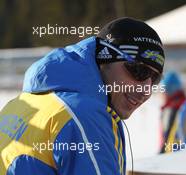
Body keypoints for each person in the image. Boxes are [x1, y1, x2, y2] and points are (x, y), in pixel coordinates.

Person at [0, 17, 165, 175]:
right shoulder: (83, 116)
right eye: (139, 71)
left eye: (155, 79)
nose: (146, 90)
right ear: (105, 58)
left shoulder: (25, 101)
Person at [159, 71, 186, 153]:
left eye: (163, 91)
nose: (161, 94)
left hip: (172, 157)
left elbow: (167, 138)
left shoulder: (171, 110)